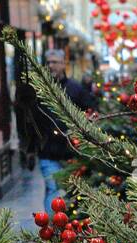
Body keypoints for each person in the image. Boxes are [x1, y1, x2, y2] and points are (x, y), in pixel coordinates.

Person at [33, 48, 96, 208]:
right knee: (53, 190)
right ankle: (53, 229)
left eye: (55, 62)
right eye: (48, 62)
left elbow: (91, 112)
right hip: (48, 152)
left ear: (63, 64)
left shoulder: (75, 89)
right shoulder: (40, 90)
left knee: (72, 191)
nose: (51, 65)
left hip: (72, 152)